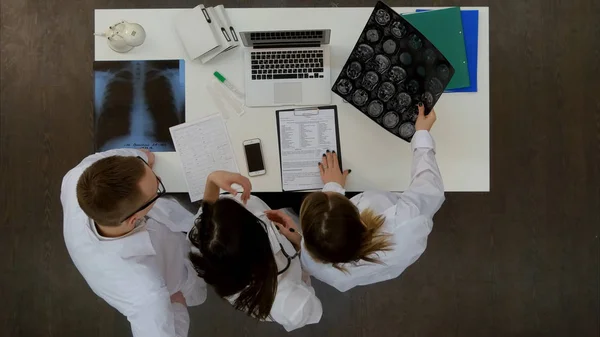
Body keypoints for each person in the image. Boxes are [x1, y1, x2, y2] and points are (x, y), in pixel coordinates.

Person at [269, 103, 445, 292]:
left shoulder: (315, 262)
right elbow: (429, 186)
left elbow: (311, 249)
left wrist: (333, 187)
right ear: (358, 217)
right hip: (398, 251)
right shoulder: (403, 220)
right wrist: (422, 133)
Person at [61, 148, 206, 337]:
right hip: (181, 276)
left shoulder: (79, 177)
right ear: (133, 219)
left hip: (174, 225)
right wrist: (176, 303)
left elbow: (137, 155)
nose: (160, 179)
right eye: (157, 189)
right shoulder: (146, 293)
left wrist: (143, 159)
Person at [188, 170, 322, 332]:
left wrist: (212, 181)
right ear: (260, 241)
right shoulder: (290, 301)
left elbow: (206, 215)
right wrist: (300, 244)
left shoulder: (205, 242)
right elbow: (313, 310)